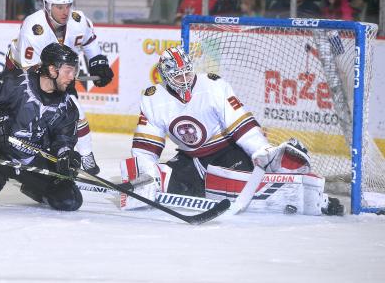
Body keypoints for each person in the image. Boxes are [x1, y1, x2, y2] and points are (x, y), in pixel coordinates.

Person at [121, 47, 340, 215]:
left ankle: (313, 195)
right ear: (165, 77)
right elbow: (145, 146)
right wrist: (147, 174)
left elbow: (241, 124)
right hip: (191, 159)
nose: (185, 80)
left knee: (243, 185)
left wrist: (261, 150)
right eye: (178, 76)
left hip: (228, 153)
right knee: (157, 178)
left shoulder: (214, 86)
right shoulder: (152, 98)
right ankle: (200, 184)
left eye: (188, 73)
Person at [0, 0, 113, 177]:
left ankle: (87, 156)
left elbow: (89, 41)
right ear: (47, 6)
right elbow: (32, 71)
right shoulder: (34, 27)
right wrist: (61, 76)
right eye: (59, 7)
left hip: (56, 72)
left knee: (75, 112)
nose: (65, 12)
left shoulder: (78, 20)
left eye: (68, 6)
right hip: (22, 72)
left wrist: (98, 62)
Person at [0, 43, 84, 214]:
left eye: (74, 71)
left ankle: (34, 189)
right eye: (68, 71)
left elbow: (64, 138)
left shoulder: (67, 105)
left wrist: (65, 155)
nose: (72, 77)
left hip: (32, 158)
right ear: (52, 70)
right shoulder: (16, 82)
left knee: (70, 201)